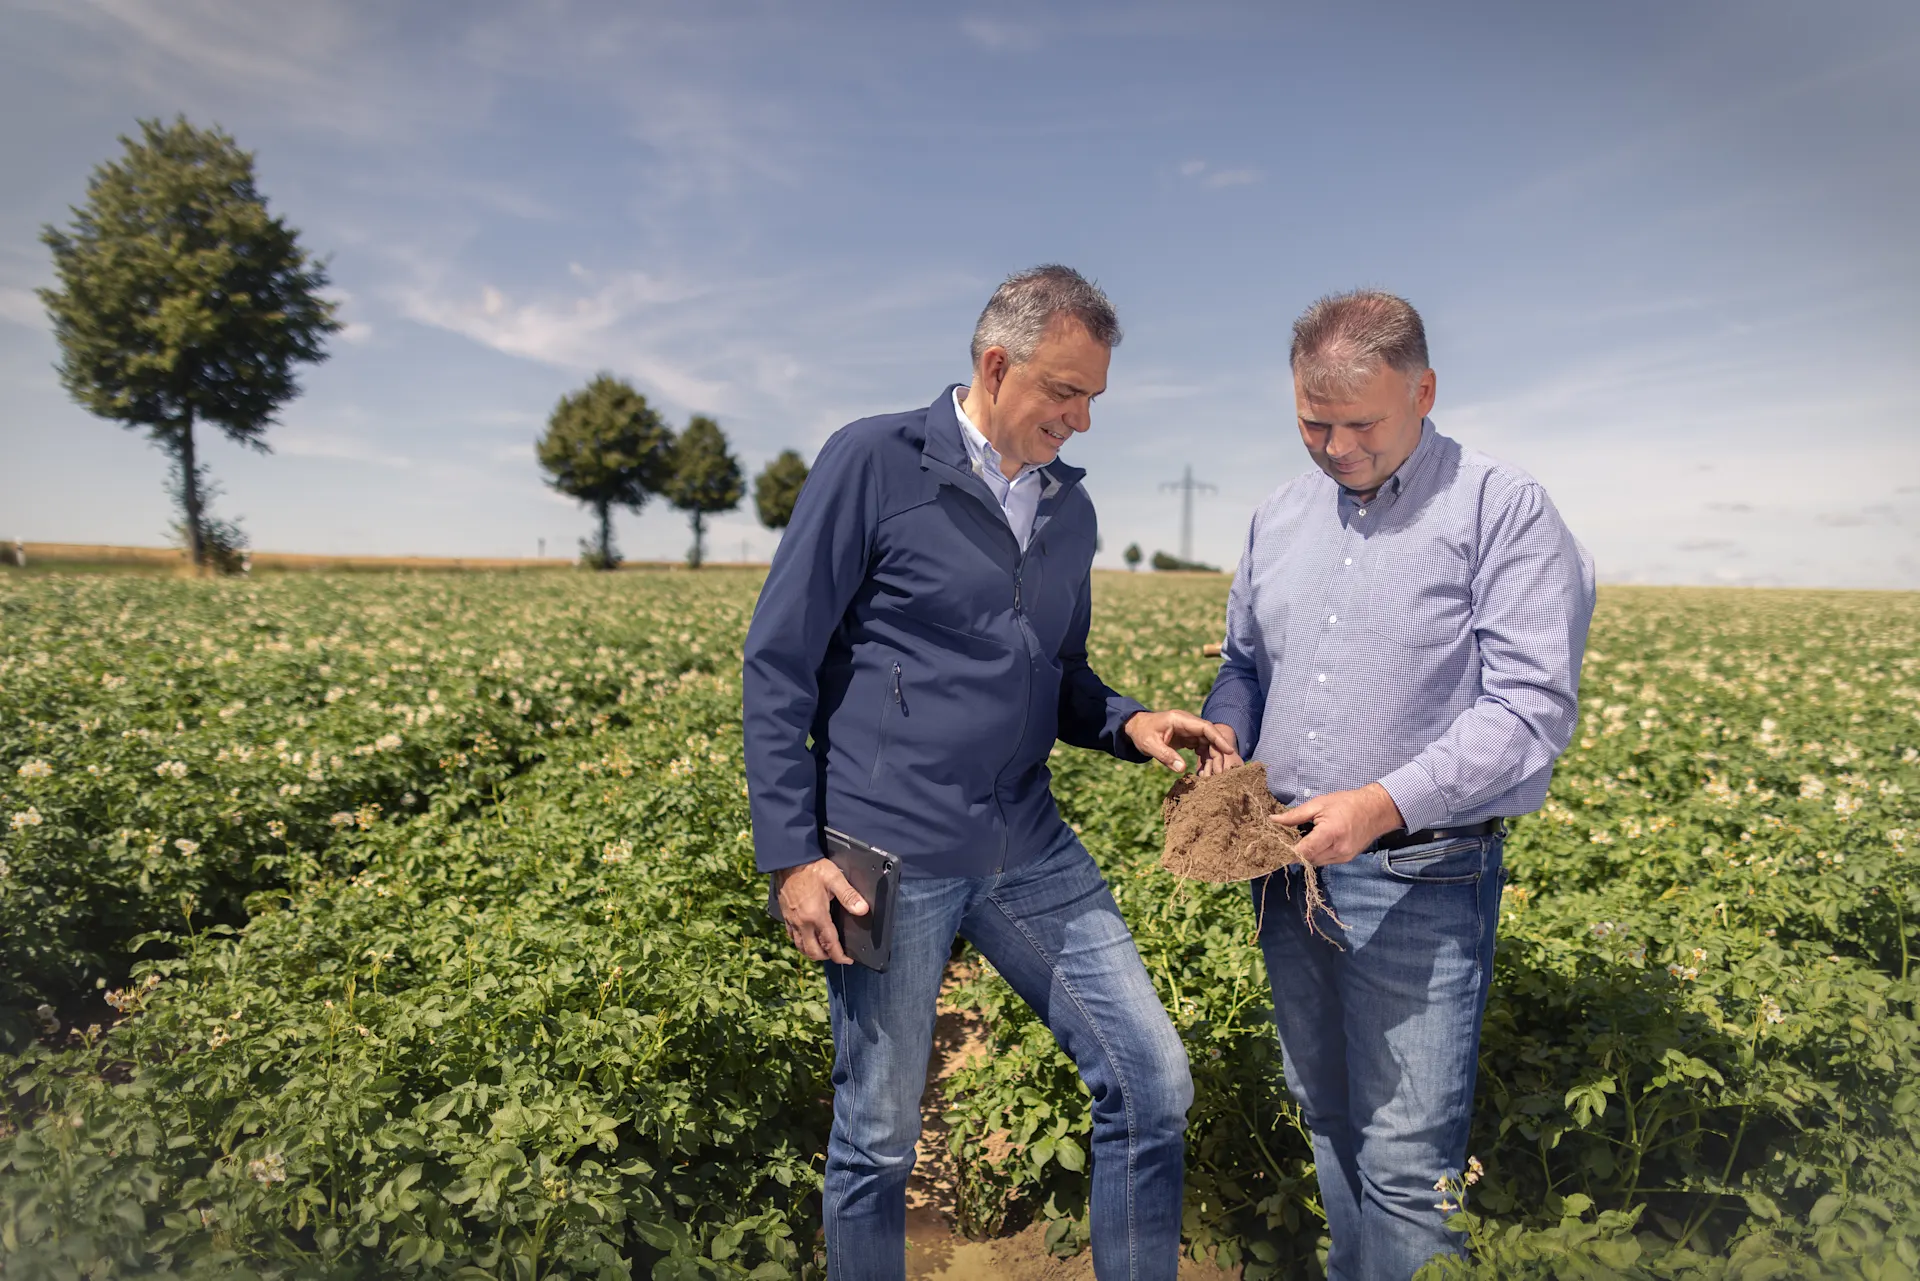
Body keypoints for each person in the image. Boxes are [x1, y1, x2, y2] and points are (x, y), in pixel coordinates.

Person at [742, 265, 1236, 1281]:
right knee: (878, 1140)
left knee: (1150, 1081)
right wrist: (791, 855)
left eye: (1093, 398)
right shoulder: (873, 462)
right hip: (887, 850)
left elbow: (1060, 678)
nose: (1082, 420)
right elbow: (779, 660)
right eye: (1065, 392)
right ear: (997, 364)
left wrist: (1131, 721)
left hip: (1027, 846)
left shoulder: (1069, 512)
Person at [1199, 290, 1595, 1280]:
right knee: (1325, 1112)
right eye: (1311, 422)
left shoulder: (1498, 507)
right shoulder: (1279, 516)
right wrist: (1223, 738)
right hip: (1288, 868)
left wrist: (1380, 803)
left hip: (1420, 873)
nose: (1333, 447)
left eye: (1361, 423)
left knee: (1410, 1156)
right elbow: (1244, 663)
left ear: (1424, 391)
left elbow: (1531, 707)